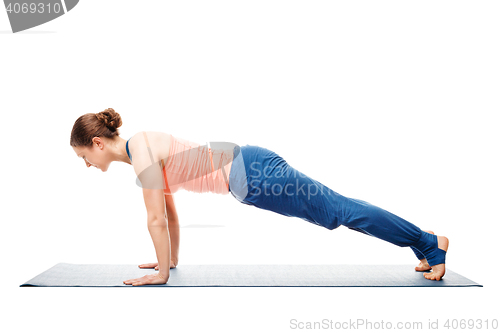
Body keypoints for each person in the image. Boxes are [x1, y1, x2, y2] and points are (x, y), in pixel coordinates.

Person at [70, 108, 449, 286]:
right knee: (337, 212)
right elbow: (168, 214)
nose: (87, 165)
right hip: (252, 174)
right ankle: (422, 245)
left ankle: (429, 243)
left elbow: (154, 218)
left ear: (98, 143)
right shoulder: (143, 151)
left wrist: (163, 275)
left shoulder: (142, 153)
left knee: (339, 211)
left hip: (255, 175)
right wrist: (169, 260)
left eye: (85, 157)